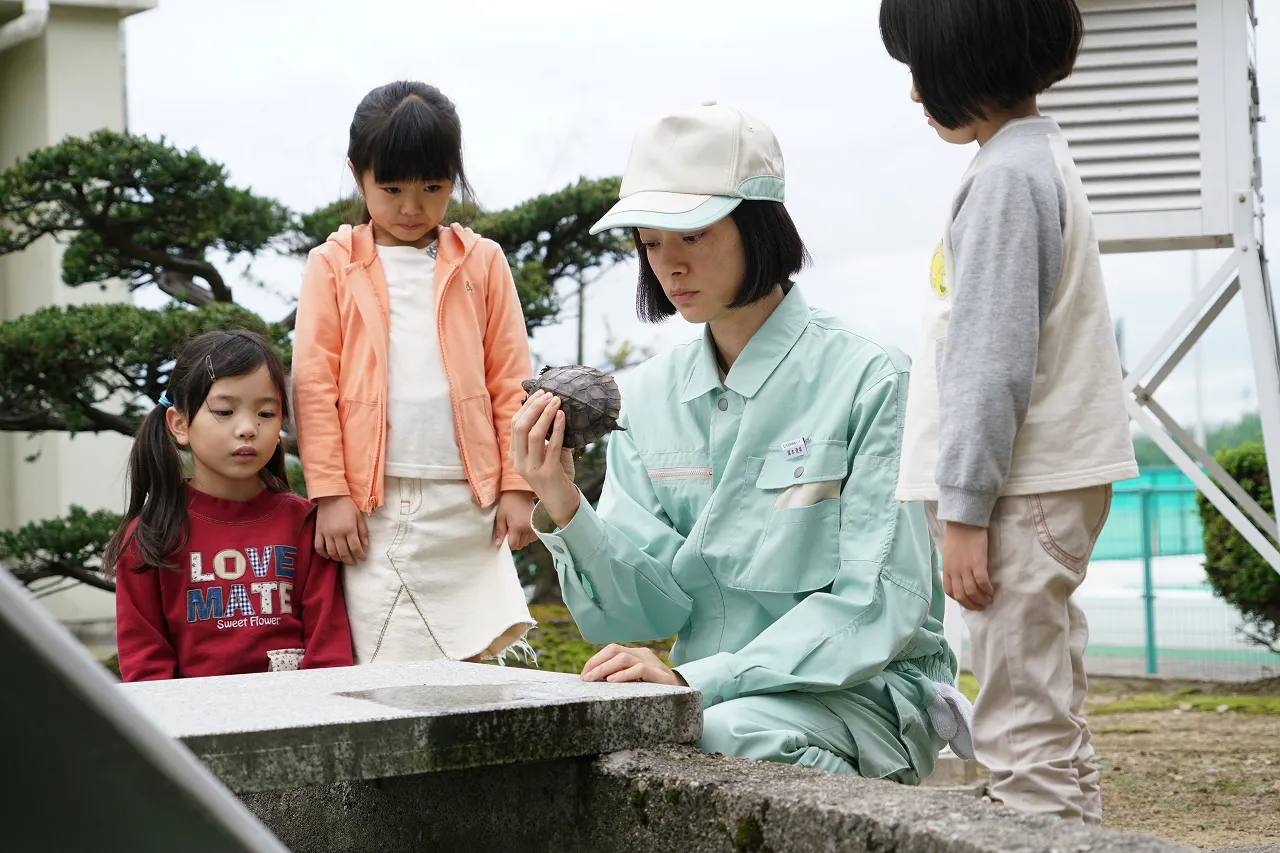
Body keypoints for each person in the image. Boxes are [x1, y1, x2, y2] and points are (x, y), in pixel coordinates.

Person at [512, 102, 968, 782]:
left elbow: (877, 603)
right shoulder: (651, 395)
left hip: (860, 696)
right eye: (650, 240)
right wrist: (564, 501)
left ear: (758, 222)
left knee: (723, 733)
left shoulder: (872, 376)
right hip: (709, 693)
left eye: (691, 233)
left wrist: (696, 680)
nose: (670, 264)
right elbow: (649, 607)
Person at [880, 0, 1139, 823]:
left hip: (1013, 496)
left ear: (965, 62)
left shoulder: (1001, 181)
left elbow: (990, 364)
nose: (915, 93)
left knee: (1019, 733)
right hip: (1041, 487)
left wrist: (963, 511)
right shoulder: (1038, 158)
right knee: (1048, 714)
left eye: (919, 69)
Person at [292, 81, 535, 665]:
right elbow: (313, 385)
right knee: (384, 658)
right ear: (358, 175)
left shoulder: (484, 262)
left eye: (432, 187)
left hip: (467, 502)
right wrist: (329, 494)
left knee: (472, 662)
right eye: (391, 188)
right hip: (369, 504)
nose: (411, 207)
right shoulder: (332, 265)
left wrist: (518, 485)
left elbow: (511, 381)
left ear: (455, 175)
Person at [106, 330, 353, 681]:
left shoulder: (305, 524)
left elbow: (328, 651)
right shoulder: (149, 537)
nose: (248, 428)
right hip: (197, 729)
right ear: (179, 424)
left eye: (266, 414)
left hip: (302, 722)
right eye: (224, 410)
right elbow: (146, 669)